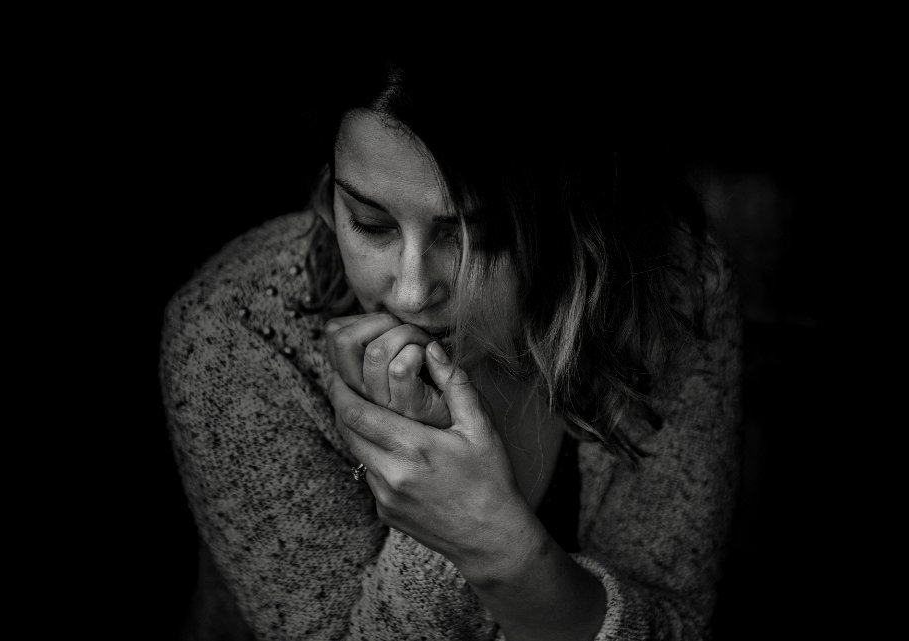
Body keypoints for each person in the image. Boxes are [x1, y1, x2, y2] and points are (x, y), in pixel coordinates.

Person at [159, 54, 741, 641]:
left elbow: (677, 625)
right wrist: (433, 522)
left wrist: (493, 544)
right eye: (370, 222)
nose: (411, 292)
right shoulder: (237, 333)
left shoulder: (670, 290)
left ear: (573, 213)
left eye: (477, 236)